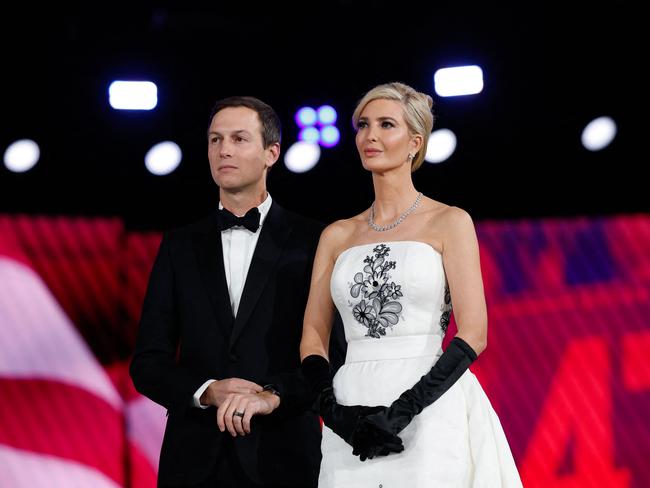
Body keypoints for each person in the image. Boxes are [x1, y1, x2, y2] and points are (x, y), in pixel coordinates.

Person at [299, 82, 523, 487]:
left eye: (386, 125)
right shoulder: (337, 235)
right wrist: (337, 415)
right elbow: (313, 337)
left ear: (414, 142)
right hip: (352, 405)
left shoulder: (449, 222)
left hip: (429, 402)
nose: (370, 136)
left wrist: (405, 410)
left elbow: (474, 333)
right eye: (363, 125)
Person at [130, 95, 345, 488]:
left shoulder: (315, 241)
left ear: (272, 153)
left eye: (239, 139)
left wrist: (272, 395)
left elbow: (335, 354)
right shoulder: (179, 245)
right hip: (193, 461)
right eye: (215, 140)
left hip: (283, 457)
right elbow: (147, 363)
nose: (224, 149)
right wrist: (208, 391)